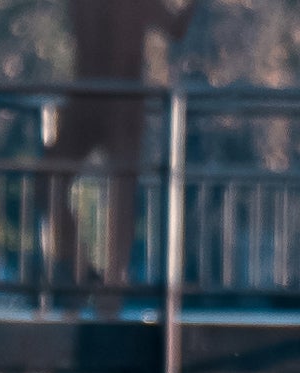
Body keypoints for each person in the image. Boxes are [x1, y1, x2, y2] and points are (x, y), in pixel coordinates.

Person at [50, 0, 196, 291]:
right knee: (51, 180)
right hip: (86, 98)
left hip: (122, 102)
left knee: (121, 192)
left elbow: (176, 28)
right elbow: (176, 28)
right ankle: (79, 266)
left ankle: (112, 286)